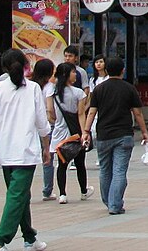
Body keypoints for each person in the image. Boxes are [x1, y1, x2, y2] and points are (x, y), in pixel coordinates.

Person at [0, 49, 51, 251]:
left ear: (4, 67)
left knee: (19, 195)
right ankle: (0, 241)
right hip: (25, 151)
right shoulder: (32, 88)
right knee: (17, 196)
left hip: (4, 150)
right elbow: (42, 122)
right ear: (25, 65)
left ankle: (30, 237)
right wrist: (46, 146)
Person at [82, 56, 148, 215]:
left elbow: (92, 112)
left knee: (105, 170)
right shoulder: (129, 88)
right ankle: (115, 204)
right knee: (119, 171)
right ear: (122, 70)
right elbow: (137, 113)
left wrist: (86, 131)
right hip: (124, 134)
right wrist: (144, 131)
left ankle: (109, 201)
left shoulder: (99, 89)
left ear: (106, 70)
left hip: (103, 134)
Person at [47, 63, 92, 204]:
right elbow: (80, 114)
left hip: (59, 133)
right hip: (75, 133)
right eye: (73, 72)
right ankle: (83, 191)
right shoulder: (78, 93)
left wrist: (56, 120)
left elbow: (50, 113)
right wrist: (85, 131)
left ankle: (62, 194)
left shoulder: (52, 92)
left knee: (62, 164)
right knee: (80, 163)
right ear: (66, 75)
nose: (75, 74)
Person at [27, 59, 55, 202]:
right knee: (47, 157)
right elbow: (50, 107)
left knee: (29, 159)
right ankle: (47, 190)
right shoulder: (49, 87)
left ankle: (26, 189)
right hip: (45, 124)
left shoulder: (29, 85)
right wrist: (53, 118)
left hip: (30, 125)